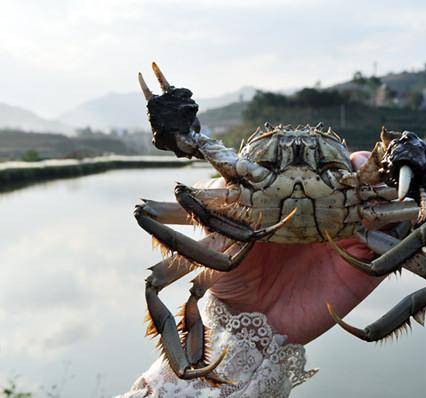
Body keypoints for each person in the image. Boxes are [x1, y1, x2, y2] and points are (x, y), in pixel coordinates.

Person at [118, 152, 385, 398]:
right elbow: (160, 210)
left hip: (345, 235)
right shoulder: (233, 198)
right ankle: (190, 367)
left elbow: (421, 214)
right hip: (242, 246)